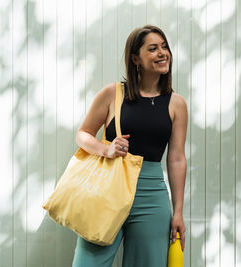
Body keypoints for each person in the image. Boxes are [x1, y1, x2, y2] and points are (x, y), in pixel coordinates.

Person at [72, 24, 187, 267]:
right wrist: (106, 149)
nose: (162, 53)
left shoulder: (176, 104)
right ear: (135, 58)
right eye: (153, 49)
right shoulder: (113, 93)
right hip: (107, 190)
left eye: (165, 47)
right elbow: (83, 134)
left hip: (151, 196)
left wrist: (178, 212)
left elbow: (176, 159)